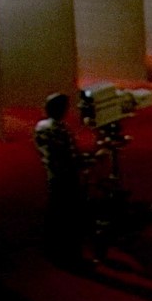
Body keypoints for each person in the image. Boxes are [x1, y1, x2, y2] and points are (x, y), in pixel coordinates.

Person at [34, 93, 93, 271]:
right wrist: (88, 161)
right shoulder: (58, 129)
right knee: (68, 218)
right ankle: (70, 256)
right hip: (65, 177)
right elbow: (67, 157)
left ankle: (52, 250)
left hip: (54, 175)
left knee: (56, 214)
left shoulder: (42, 126)